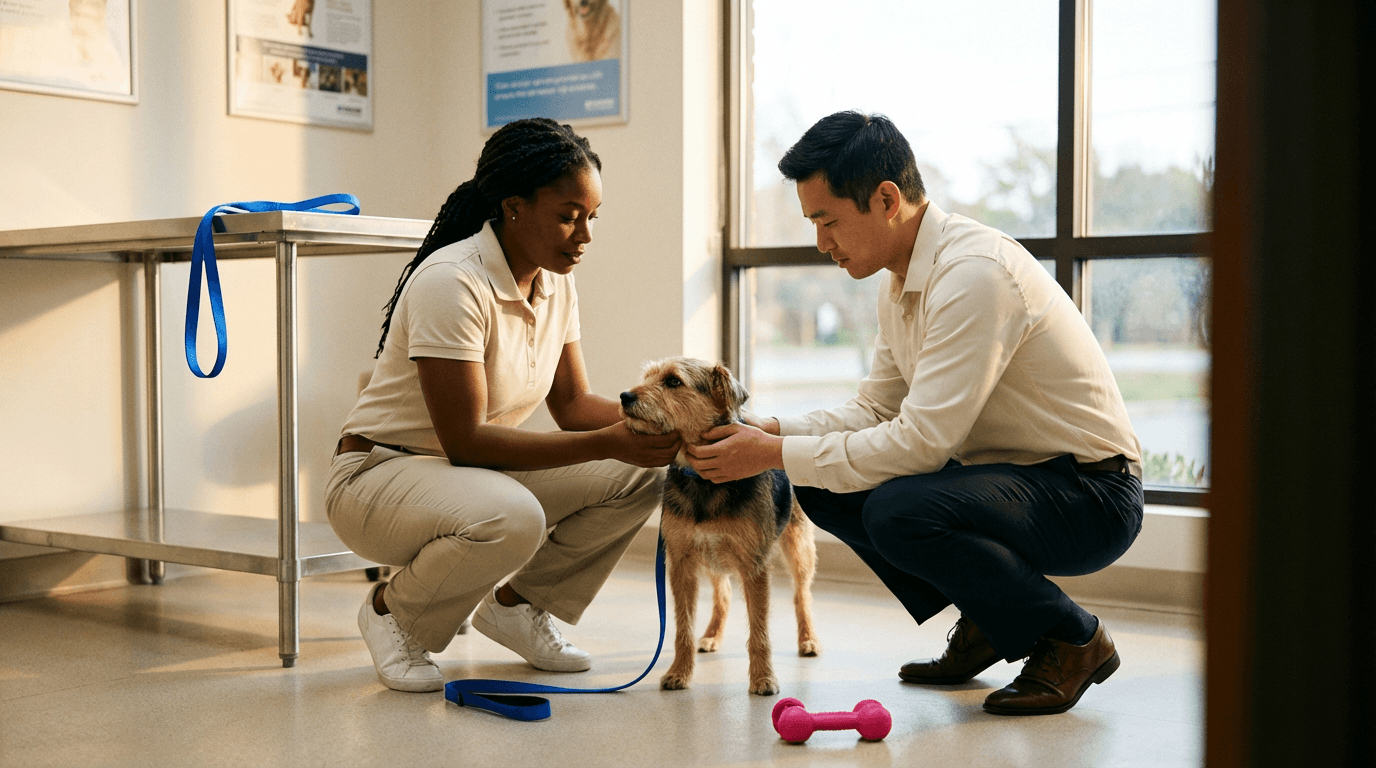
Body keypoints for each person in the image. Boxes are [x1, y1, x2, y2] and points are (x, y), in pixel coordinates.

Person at [687, 111, 1144, 716]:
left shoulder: (974, 275)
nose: (821, 243)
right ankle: (991, 616)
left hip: (1091, 494)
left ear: (885, 200)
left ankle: (1072, 639)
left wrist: (772, 452)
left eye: (827, 221)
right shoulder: (899, 280)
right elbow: (875, 409)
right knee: (816, 480)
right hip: (1013, 480)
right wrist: (770, 433)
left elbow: (923, 442)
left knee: (896, 508)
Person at [326, 118, 680, 693]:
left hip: (469, 475)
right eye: (568, 216)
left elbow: (573, 405)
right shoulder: (451, 281)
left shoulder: (556, 282)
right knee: (514, 517)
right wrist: (609, 441)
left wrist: (672, 427)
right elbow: (466, 440)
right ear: (513, 207)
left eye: (592, 217)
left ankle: (518, 606)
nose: (584, 236)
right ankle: (393, 613)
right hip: (377, 477)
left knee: (644, 473)